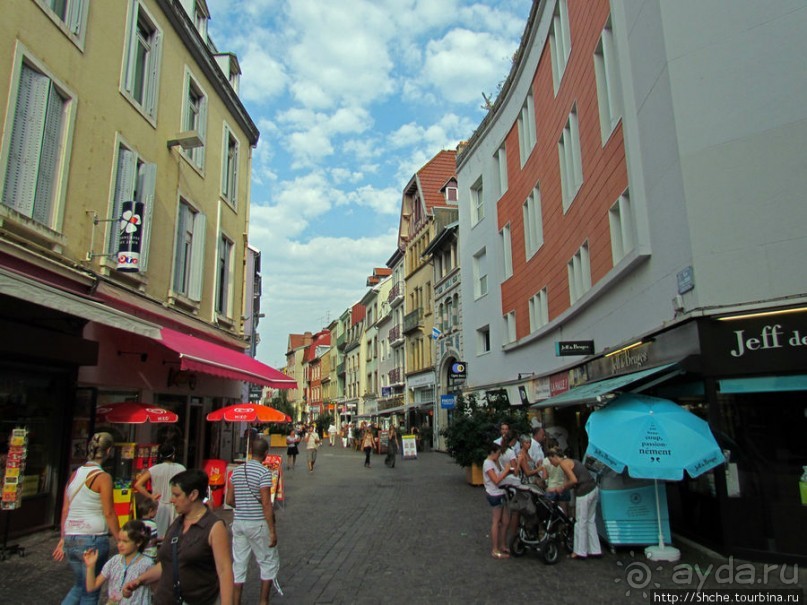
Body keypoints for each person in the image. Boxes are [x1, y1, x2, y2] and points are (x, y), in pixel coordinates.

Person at [123, 469, 234, 604]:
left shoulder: (214, 527)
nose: (171, 500)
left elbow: (224, 571)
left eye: (177, 495)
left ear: (193, 495)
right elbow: (168, 563)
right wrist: (140, 580)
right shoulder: (177, 523)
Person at [53, 431, 121, 605]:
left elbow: (65, 509)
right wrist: (120, 538)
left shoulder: (75, 474)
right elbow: (109, 512)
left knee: (79, 586)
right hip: (92, 537)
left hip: (71, 537)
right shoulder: (103, 477)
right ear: (108, 451)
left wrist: (63, 537)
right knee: (90, 590)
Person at [226, 438, 279, 605]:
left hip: (239, 523)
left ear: (250, 452)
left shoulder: (237, 471)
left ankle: (236, 602)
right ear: (265, 454)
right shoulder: (263, 473)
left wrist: (242, 504)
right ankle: (263, 601)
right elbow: (266, 503)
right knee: (267, 562)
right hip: (258, 523)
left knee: (239, 565)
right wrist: (272, 530)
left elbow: (229, 500)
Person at [546, 447, 602, 559]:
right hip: (593, 488)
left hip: (584, 491)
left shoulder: (563, 464)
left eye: (551, 460)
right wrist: (560, 488)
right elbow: (568, 480)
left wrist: (562, 488)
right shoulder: (571, 461)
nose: (551, 463)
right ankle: (595, 550)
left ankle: (579, 552)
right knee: (590, 521)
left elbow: (573, 480)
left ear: (554, 457)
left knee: (580, 521)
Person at [84, 519, 154, 604]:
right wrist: (90, 566)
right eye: (119, 540)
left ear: (138, 542)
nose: (120, 545)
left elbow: (156, 591)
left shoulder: (147, 564)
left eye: (125, 541)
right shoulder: (114, 561)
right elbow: (91, 587)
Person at [133, 443, 186, 539]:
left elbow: (138, 485)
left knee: (159, 536)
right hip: (175, 505)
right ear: (173, 455)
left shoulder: (154, 469)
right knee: (175, 536)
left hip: (158, 505)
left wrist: (151, 496)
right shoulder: (181, 468)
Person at [483, 442, 517, 559]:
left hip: (501, 493)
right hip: (495, 494)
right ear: (492, 453)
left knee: (505, 521)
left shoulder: (493, 462)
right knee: (496, 521)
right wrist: (506, 471)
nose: (498, 456)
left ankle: (502, 545)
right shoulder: (488, 464)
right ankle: (495, 549)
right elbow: (496, 480)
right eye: (497, 454)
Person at [541, 438, 570, 515]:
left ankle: (552, 525)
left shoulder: (546, 460)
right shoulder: (564, 458)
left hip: (551, 488)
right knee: (564, 510)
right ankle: (564, 525)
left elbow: (544, 476)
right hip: (562, 486)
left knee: (550, 511)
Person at [135, 495, 160, 560]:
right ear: (150, 510)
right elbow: (153, 540)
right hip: (150, 554)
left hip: (140, 554)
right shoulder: (152, 524)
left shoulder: (137, 523)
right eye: (156, 510)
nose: (156, 512)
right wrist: (163, 539)